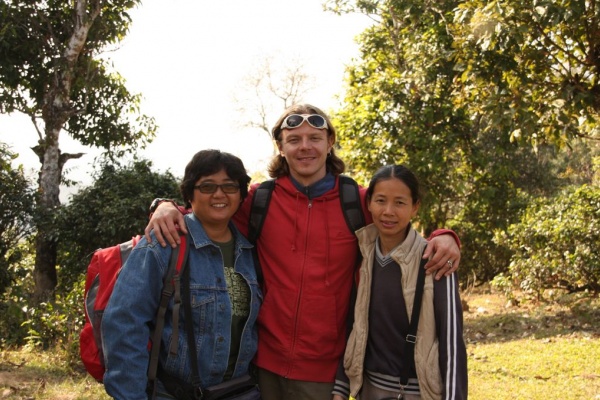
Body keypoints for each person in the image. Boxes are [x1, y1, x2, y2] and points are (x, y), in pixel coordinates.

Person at [145, 104, 461, 400]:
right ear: (281, 147)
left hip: (324, 371)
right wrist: (165, 206)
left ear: (330, 142)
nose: (305, 147)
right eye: (294, 139)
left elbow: (398, 223)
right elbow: (208, 213)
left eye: (314, 138)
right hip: (261, 365)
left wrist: (445, 237)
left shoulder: (355, 201)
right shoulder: (260, 200)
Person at [102, 149, 262, 399]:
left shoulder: (251, 251)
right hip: (174, 393)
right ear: (189, 194)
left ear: (241, 194)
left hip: (242, 392)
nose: (219, 194)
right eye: (207, 186)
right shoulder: (164, 245)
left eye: (230, 186)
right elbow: (124, 324)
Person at [332, 165, 467, 400]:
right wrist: (341, 389)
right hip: (369, 390)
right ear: (369, 203)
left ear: (415, 207)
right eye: (380, 200)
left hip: (418, 393)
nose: (388, 211)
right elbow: (354, 326)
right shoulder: (362, 256)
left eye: (400, 203)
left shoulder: (436, 260)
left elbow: (452, 342)